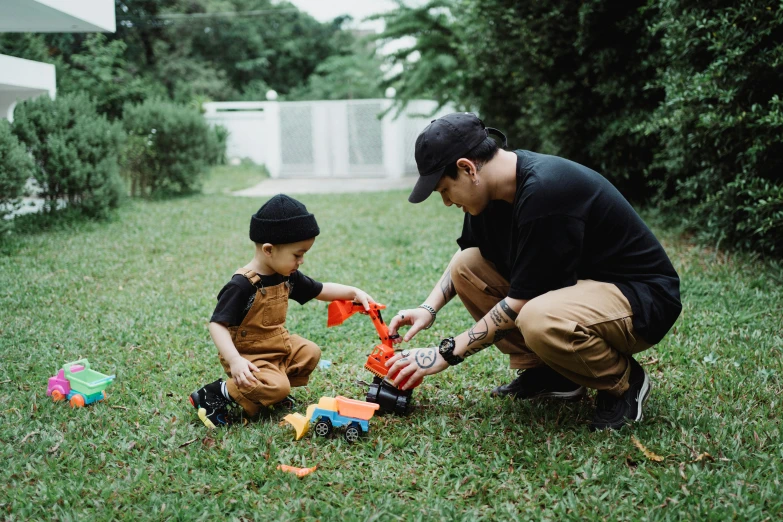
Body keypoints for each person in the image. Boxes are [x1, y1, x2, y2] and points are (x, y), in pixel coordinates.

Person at [386, 112, 681, 430]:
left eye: (444, 190)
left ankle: (624, 382)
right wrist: (428, 308)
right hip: (581, 289)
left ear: (467, 168)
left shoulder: (546, 192)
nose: (446, 201)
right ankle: (552, 374)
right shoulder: (489, 192)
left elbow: (520, 304)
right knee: (467, 265)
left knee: (537, 317)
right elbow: (466, 252)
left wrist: (444, 353)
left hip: (640, 298)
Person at [189, 194, 375, 428]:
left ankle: (268, 394)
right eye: (298, 254)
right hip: (248, 355)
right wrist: (235, 360)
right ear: (269, 250)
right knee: (278, 386)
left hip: (276, 345)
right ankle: (215, 393)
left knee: (310, 352)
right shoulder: (241, 285)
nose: (302, 261)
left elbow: (320, 289)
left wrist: (352, 292)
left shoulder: (287, 276)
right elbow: (217, 324)